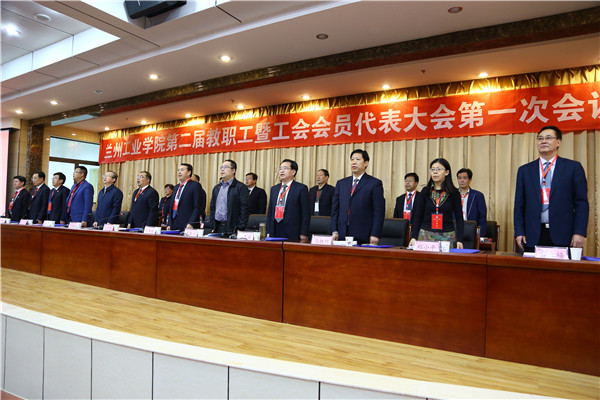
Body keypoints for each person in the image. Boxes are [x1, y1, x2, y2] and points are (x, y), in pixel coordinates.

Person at [514, 126, 589, 252]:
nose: (543, 141)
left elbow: (581, 203)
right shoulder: (525, 170)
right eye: (540, 138)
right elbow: (519, 205)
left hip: (564, 235)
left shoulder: (573, 168)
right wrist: (519, 232)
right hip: (532, 234)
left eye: (548, 138)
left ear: (558, 142)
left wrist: (579, 232)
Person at [331, 149, 385, 245]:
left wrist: (375, 234)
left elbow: (378, 211)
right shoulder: (341, 183)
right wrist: (334, 230)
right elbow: (335, 209)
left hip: (364, 234)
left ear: (366, 163)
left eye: (358, 159)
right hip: (342, 233)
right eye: (352, 159)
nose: (354, 162)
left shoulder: (374, 183)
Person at [409, 158, 464, 249]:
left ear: (447, 172)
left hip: (447, 236)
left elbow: (459, 218)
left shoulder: (454, 193)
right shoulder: (425, 191)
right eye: (433, 169)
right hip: (425, 235)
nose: (435, 172)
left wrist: (460, 240)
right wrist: (413, 236)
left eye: (438, 169)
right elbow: (418, 216)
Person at [266, 159, 310, 242]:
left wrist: (304, 233)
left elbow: (306, 213)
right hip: (275, 229)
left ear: (293, 172)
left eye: (285, 168)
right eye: (280, 168)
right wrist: (268, 231)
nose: (281, 171)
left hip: (292, 230)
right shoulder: (274, 189)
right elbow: (270, 212)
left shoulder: (301, 188)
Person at [206, 160, 249, 234]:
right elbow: (212, 207)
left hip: (233, 227)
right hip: (217, 226)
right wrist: (212, 225)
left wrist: (240, 227)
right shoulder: (217, 188)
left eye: (225, 167)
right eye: (221, 167)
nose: (222, 169)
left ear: (233, 171)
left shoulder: (241, 187)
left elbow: (244, 209)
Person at [166, 163, 207, 231]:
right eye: (178, 170)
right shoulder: (176, 187)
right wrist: (169, 223)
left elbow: (198, 207)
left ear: (189, 173)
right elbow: (172, 207)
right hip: (174, 224)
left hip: (188, 224)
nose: (179, 172)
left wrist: (191, 223)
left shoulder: (195, 185)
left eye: (182, 170)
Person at [456, 168, 487, 237]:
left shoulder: (478, 195)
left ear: (470, 180)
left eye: (464, 178)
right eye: (459, 178)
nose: (461, 180)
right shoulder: (452, 194)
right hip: (455, 230)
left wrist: (480, 236)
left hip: (471, 231)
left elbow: (482, 218)